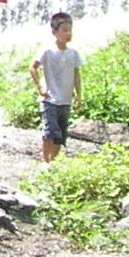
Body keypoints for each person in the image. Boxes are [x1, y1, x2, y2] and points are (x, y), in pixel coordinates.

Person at [28, 11, 82, 163]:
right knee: (50, 131)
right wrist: (40, 87)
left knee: (61, 134)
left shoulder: (73, 53)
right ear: (54, 32)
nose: (68, 33)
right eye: (64, 30)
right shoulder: (47, 50)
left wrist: (78, 95)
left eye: (70, 30)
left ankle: (54, 161)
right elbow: (32, 67)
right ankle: (46, 161)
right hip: (49, 99)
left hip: (65, 100)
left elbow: (77, 75)